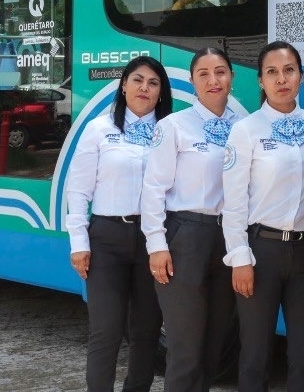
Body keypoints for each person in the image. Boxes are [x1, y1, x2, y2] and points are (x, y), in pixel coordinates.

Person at [222, 41, 304, 392]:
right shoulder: (246, 131)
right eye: (272, 72)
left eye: (289, 70)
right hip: (260, 251)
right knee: (255, 352)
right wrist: (239, 258)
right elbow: (234, 201)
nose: (281, 79)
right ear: (260, 81)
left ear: (300, 77)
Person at [65, 55, 173, 392]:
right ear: (124, 85)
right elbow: (78, 189)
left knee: (146, 331)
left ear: (161, 92)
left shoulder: (170, 132)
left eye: (153, 83)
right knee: (106, 331)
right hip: (107, 238)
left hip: (153, 240)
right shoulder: (100, 129)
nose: (144, 88)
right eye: (137, 80)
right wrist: (79, 243)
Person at [142, 47, 240, 392]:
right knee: (185, 346)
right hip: (185, 237)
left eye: (220, 72)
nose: (214, 80)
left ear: (232, 77)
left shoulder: (244, 127)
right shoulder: (174, 126)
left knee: (215, 344)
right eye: (204, 74)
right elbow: (153, 188)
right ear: (192, 81)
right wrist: (157, 245)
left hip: (230, 238)